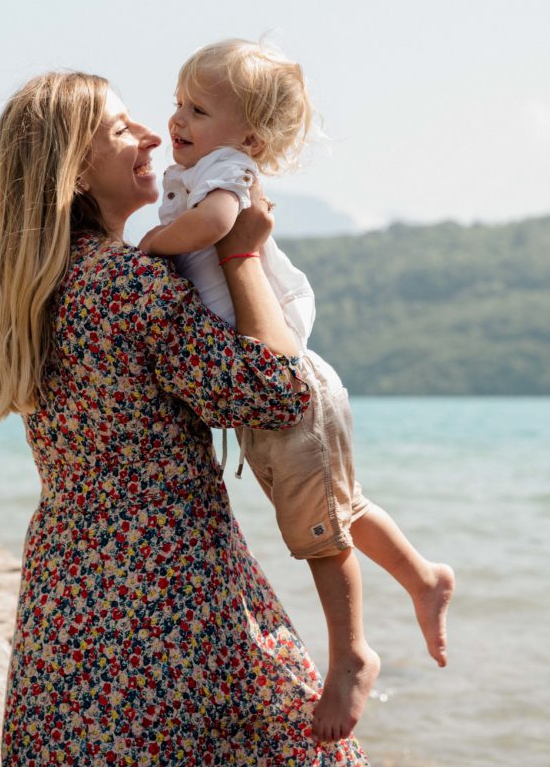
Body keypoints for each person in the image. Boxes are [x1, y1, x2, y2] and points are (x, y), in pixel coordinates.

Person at [0, 70, 370, 766]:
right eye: (122, 129)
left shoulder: (38, 288)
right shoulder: (128, 283)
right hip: (167, 584)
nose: (153, 134)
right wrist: (241, 253)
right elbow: (278, 393)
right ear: (76, 172)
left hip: (68, 585)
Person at [139, 39, 455, 743]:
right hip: (278, 391)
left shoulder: (226, 170)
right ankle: (423, 578)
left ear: (249, 138)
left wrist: (150, 248)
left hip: (290, 385)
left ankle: (352, 655)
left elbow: (217, 226)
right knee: (337, 508)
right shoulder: (194, 169)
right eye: (178, 103)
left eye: (198, 109)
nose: (177, 119)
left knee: (317, 533)